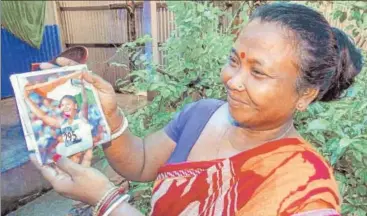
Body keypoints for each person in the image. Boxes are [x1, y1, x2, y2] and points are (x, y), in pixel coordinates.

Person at [30, 2, 364, 216]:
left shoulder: (303, 192)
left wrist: (107, 202)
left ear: (305, 94)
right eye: (234, 60)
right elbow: (142, 162)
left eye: (258, 72)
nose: (232, 80)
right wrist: (109, 115)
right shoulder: (203, 113)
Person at [24, 73, 93, 161]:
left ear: (75, 106)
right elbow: (43, 116)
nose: (65, 108)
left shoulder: (80, 119)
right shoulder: (65, 123)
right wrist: (26, 99)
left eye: (68, 105)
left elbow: (85, 102)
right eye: (63, 105)